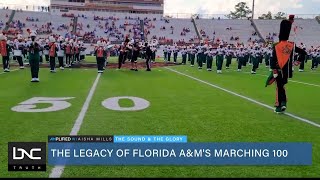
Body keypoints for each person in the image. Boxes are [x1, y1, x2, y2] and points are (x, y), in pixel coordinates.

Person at [266, 15, 307, 113]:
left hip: (278, 69)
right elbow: (304, 53)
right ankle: (282, 104)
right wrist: (298, 61)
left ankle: (281, 105)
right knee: (281, 86)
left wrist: (274, 69)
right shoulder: (292, 45)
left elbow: (273, 58)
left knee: (279, 87)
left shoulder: (276, 45)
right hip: (287, 71)